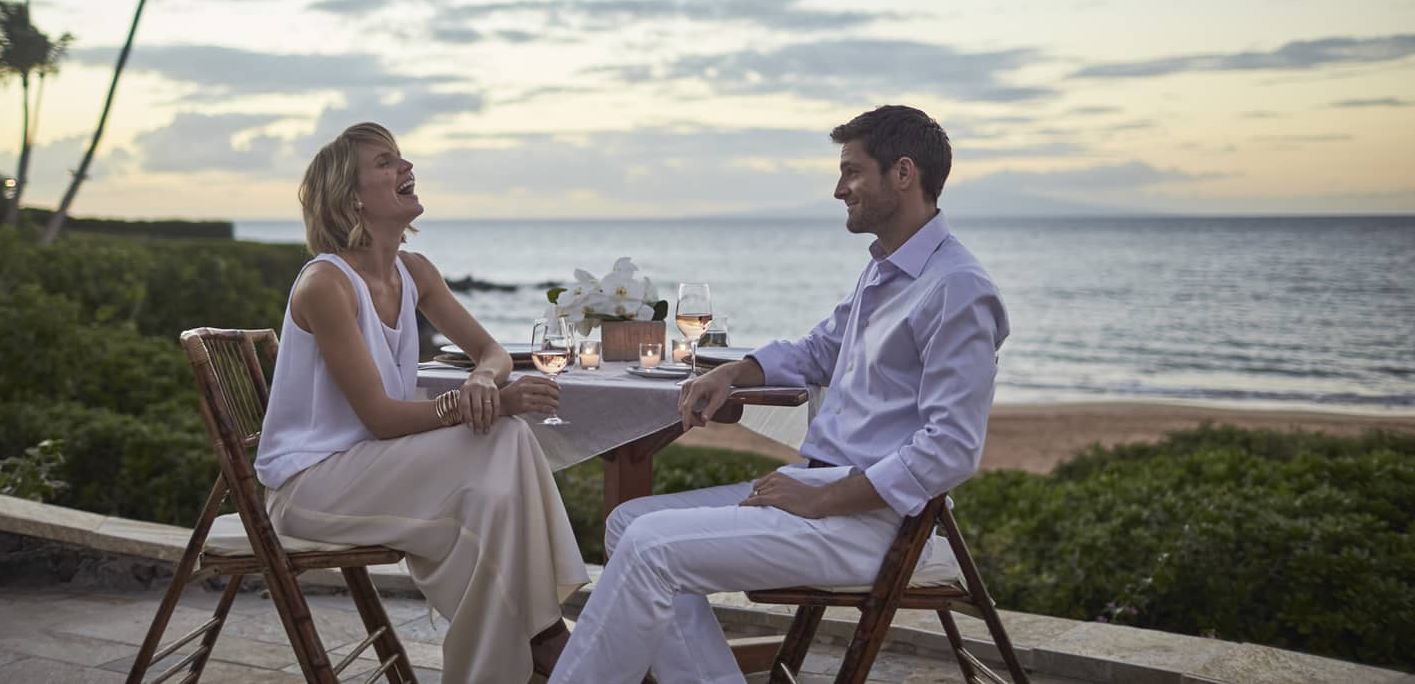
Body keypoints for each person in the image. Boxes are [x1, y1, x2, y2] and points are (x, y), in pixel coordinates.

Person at [550, 105, 1010, 684]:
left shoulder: (958, 289)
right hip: (826, 492)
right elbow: (821, 349)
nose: (838, 188)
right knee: (628, 523)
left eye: (851, 172)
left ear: (903, 173)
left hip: (875, 522)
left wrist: (825, 498)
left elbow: (950, 449)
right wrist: (735, 372)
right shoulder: (887, 270)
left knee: (649, 546)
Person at [255, 122, 587, 683]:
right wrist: (484, 402)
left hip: (379, 473)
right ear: (351, 196)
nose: (406, 168)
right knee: (499, 442)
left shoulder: (415, 271)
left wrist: (484, 381)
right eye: (386, 162)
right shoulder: (325, 285)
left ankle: (535, 645)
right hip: (312, 488)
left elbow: (492, 351)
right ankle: (546, 638)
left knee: (501, 457)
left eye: (402, 159)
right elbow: (383, 419)